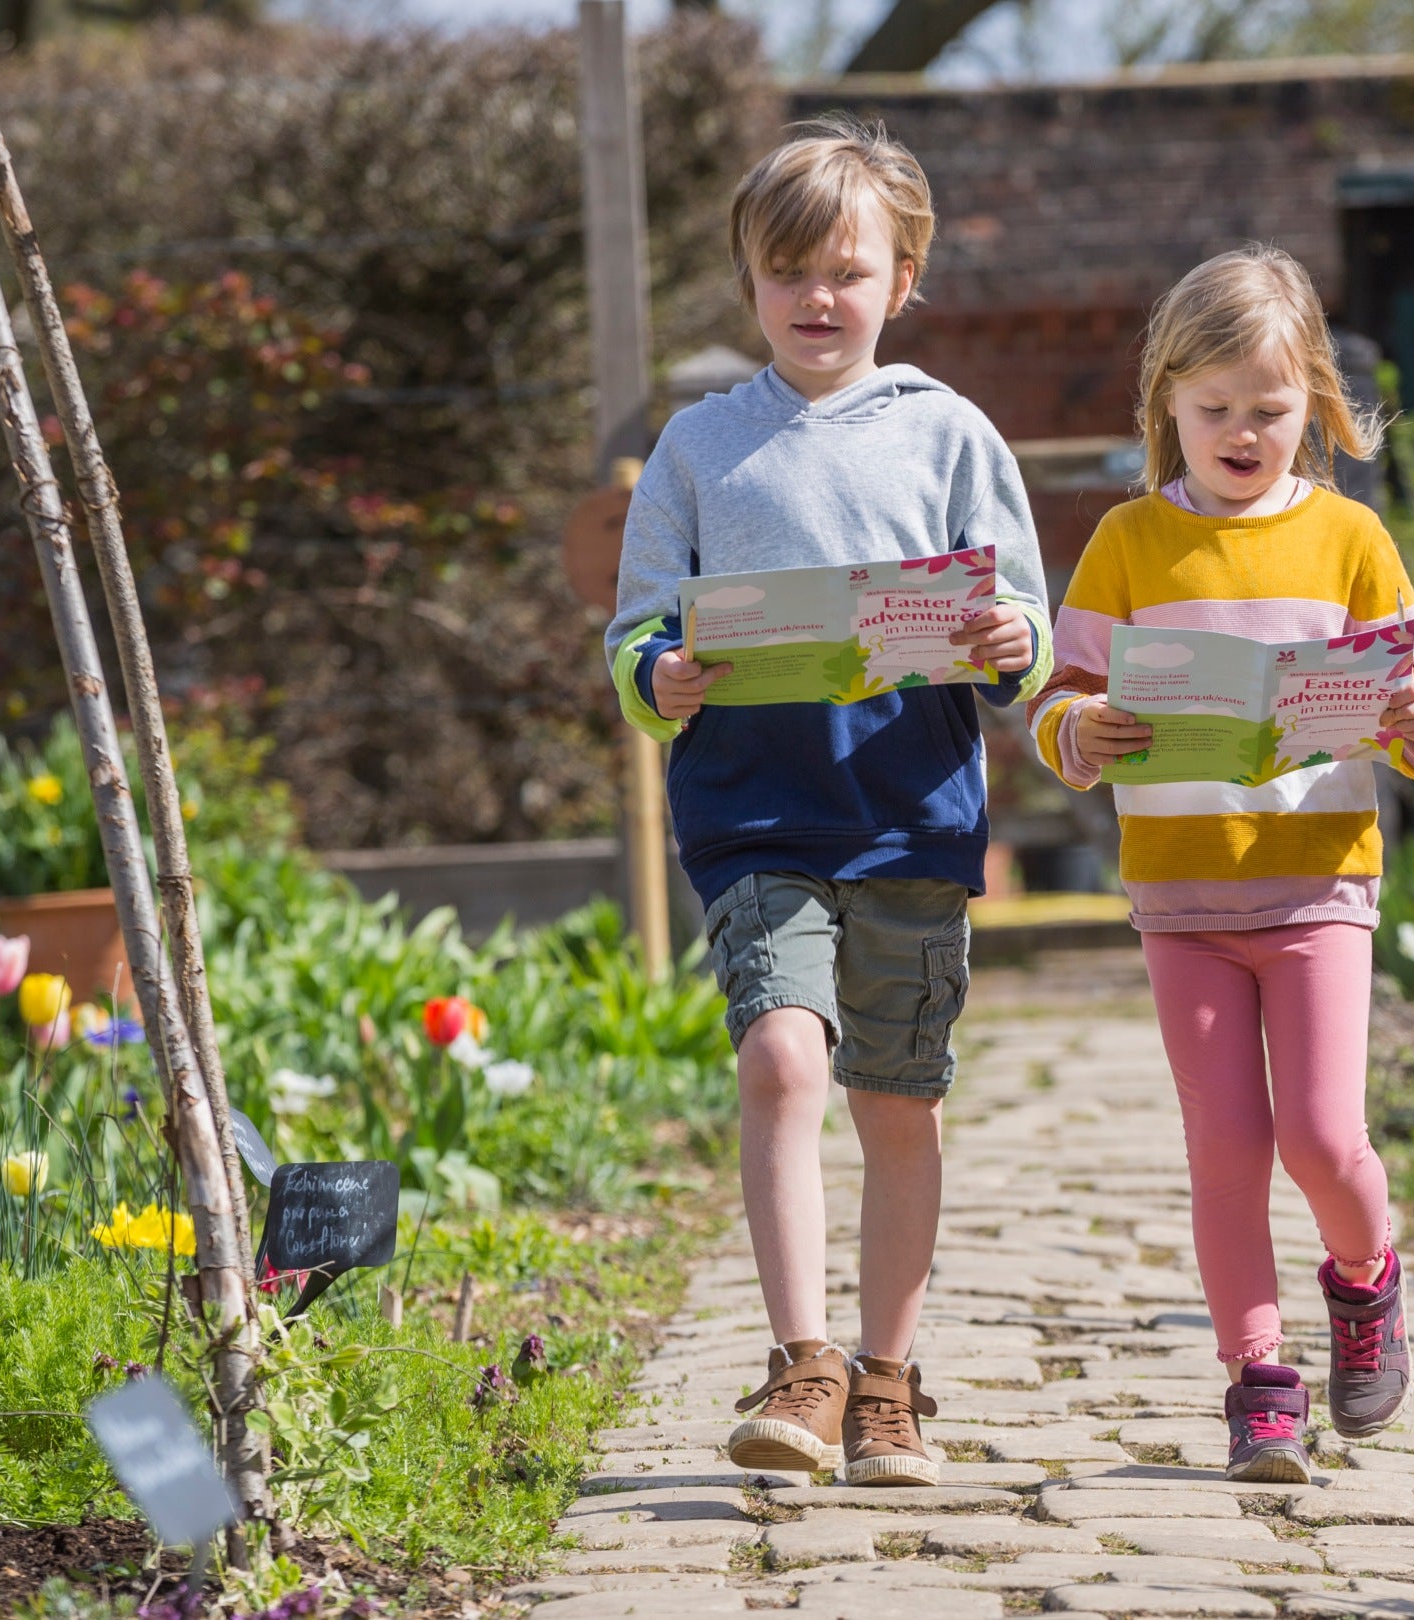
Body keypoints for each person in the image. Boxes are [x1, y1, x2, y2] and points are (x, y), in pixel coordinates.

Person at [604, 117, 1051, 1487]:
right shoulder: (697, 447)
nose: (816, 298)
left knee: (894, 1099)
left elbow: (1021, 622)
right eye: (787, 271)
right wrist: (657, 675)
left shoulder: (949, 434)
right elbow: (634, 633)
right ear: (748, 279)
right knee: (783, 1061)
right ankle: (800, 1366)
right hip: (753, 812)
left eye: (847, 271)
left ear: (901, 276)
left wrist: (1007, 650)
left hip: (909, 809)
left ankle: (887, 1382)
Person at [1026, 245, 1414, 1482]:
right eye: (1214, 408)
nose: (1240, 431)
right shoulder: (1127, 543)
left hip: (1321, 882)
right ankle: (1259, 1380)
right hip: (1182, 899)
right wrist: (1080, 730)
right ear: (1167, 400)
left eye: (1268, 411)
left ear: (1312, 405)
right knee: (1225, 1144)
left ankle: (1366, 1277)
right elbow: (1059, 706)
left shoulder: (1351, 537)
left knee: (1323, 1138)